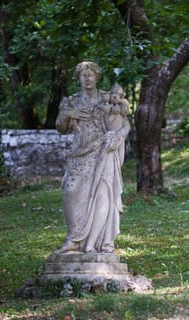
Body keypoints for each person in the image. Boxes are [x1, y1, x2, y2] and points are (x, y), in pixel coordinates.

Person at [55, 61, 130, 254]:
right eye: (83, 75)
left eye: (91, 75)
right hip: (80, 152)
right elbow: (60, 127)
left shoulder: (108, 98)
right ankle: (74, 239)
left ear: (97, 77)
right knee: (70, 190)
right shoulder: (71, 101)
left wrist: (119, 135)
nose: (87, 79)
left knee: (102, 196)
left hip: (103, 151)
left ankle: (97, 243)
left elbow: (125, 123)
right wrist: (69, 114)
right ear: (78, 78)